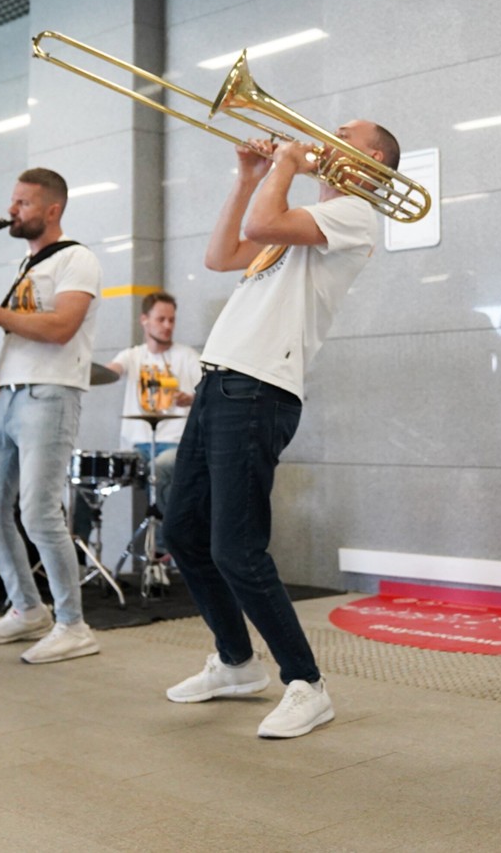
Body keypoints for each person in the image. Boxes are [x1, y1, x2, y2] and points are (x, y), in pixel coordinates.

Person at [161, 121, 398, 739]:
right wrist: (247, 178)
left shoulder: (355, 215)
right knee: (185, 532)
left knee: (235, 547)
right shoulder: (296, 225)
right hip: (220, 382)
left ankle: (306, 684)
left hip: (259, 387)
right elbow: (222, 255)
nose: (323, 134)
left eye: (342, 133)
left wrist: (284, 164)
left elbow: (262, 225)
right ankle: (237, 663)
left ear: (369, 158)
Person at [0, 167, 102, 664]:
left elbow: (60, 327)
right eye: (13, 202)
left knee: (38, 512)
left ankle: (74, 625)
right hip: (9, 395)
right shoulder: (25, 264)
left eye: (23, 204)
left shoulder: (78, 259)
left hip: (52, 395)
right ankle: (27, 608)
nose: (12, 211)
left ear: (52, 210)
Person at [105, 291, 200, 492]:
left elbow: (210, 393)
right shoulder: (132, 356)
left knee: (161, 468)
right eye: (161, 319)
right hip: (138, 445)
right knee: (93, 472)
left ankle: (166, 523)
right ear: (145, 320)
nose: (168, 326)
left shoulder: (188, 357)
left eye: (172, 320)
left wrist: (191, 399)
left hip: (176, 443)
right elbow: (111, 371)